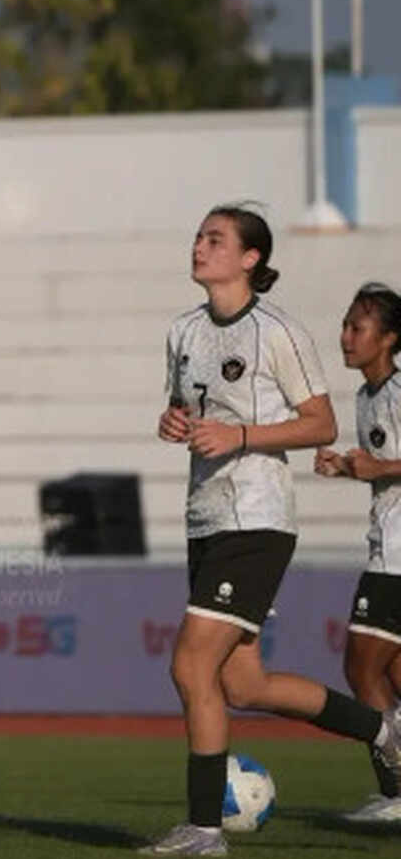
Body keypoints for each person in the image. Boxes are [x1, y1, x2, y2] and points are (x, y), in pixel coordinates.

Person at [144, 205, 401, 856]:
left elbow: (320, 423)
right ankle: (383, 730)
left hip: (257, 519)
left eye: (215, 239)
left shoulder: (277, 331)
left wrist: (241, 436)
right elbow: (183, 408)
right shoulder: (182, 330)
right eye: (198, 236)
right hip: (205, 517)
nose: (200, 246)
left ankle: (204, 830)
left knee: (190, 664)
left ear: (250, 258)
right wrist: (172, 422)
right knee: (243, 685)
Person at [315, 282, 401, 822]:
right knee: (391, 675)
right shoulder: (367, 396)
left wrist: (377, 467)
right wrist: (348, 468)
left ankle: (397, 792)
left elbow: (390, 467)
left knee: (360, 669)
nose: (346, 336)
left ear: (388, 338)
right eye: (345, 325)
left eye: (358, 327)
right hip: (387, 546)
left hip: (397, 557)